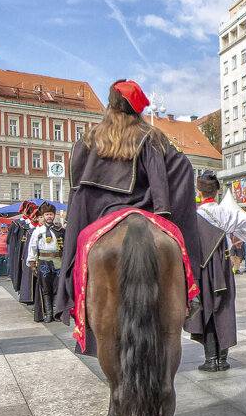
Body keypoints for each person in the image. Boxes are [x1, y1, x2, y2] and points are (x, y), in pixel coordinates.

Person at [56, 80, 203, 355]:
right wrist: (164, 211)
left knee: (81, 249)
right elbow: (176, 171)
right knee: (177, 247)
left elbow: (78, 192)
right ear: (137, 109)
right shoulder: (151, 137)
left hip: (100, 219)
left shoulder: (87, 141)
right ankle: (189, 294)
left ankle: (74, 303)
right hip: (146, 212)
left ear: (110, 104)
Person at [187, 171, 246, 371]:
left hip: (203, 266)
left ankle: (211, 360)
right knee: (225, 307)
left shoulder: (194, 216)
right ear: (217, 191)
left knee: (207, 306)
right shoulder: (227, 213)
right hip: (224, 265)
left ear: (198, 192)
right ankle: (223, 358)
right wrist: (234, 233)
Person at [26, 203, 64, 323]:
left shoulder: (59, 230)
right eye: (47, 215)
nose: (49, 217)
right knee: (46, 288)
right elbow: (32, 247)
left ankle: (57, 313)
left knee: (57, 287)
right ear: (43, 216)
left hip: (57, 261)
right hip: (44, 261)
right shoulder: (38, 231)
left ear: (54, 216)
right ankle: (48, 313)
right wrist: (32, 263)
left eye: (51, 214)